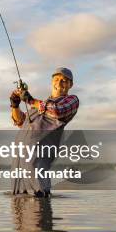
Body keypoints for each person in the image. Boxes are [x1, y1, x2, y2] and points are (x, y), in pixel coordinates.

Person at [9, 67, 79, 197]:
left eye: (64, 81)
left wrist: (30, 100)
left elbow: (57, 110)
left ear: (71, 85)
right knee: (18, 207)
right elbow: (20, 122)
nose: (59, 83)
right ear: (52, 82)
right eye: (56, 79)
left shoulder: (71, 101)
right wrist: (15, 105)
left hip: (37, 175)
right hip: (19, 174)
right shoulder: (39, 106)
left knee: (38, 208)